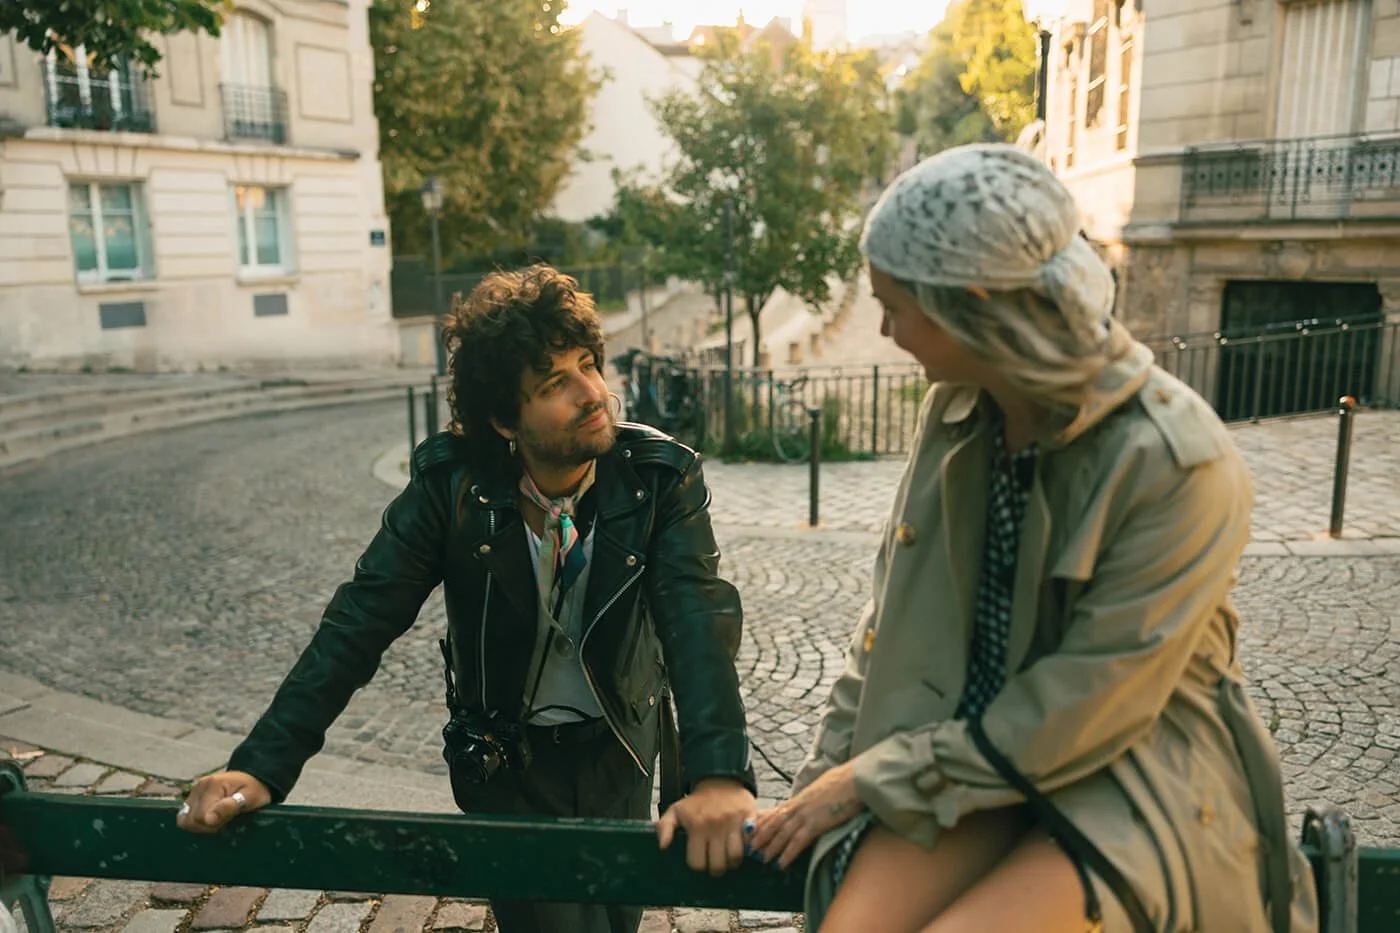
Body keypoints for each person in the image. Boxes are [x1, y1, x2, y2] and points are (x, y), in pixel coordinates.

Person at [748, 145, 1319, 933]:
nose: (884, 328)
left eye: (894, 305)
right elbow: (887, 623)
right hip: (960, 766)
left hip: (1129, 781)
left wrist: (865, 779)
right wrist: (823, 776)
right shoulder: (956, 410)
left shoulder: (1177, 459)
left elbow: (1081, 711)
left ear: (972, 303)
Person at [176, 264, 758, 933]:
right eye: (554, 383)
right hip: (509, 766)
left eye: (589, 364)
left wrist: (719, 773)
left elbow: (696, 619)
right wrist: (261, 765)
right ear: (504, 419)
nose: (593, 392)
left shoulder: (659, 480)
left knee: (614, 920)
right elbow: (359, 621)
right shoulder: (449, 489)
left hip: (619, 752)